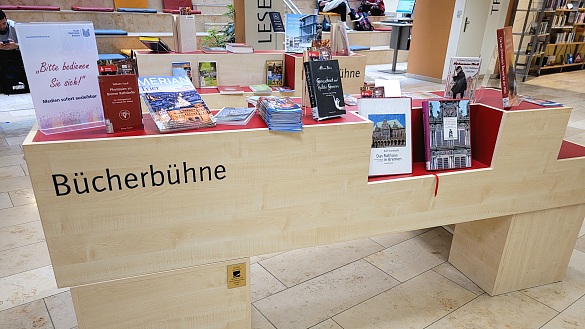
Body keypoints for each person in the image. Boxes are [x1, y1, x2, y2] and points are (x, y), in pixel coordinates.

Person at [0, 10, 29, 94]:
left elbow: (27, 44)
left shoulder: (14, 26)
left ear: (6, 19)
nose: (2, 27)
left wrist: (16, 45)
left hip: (15, 54)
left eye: (4, 23)